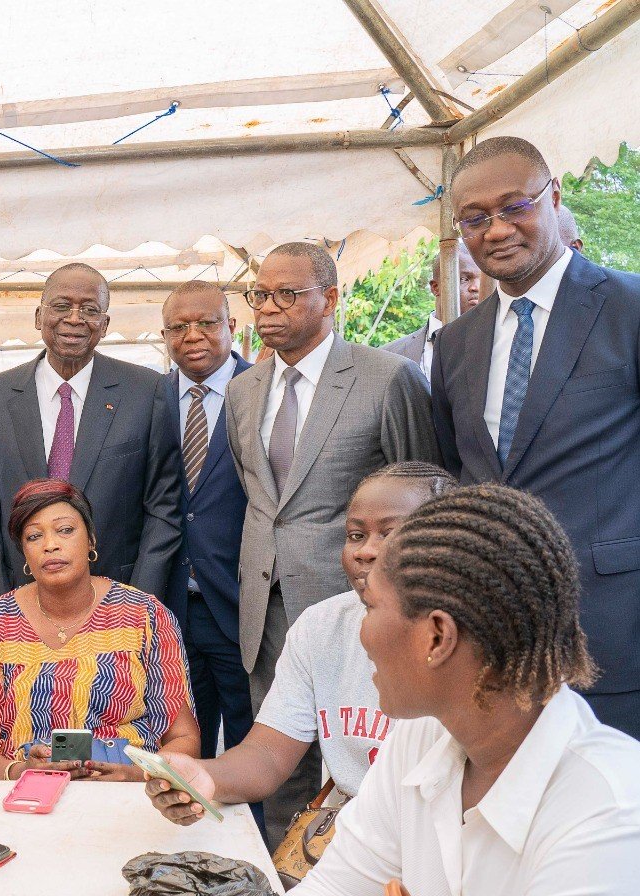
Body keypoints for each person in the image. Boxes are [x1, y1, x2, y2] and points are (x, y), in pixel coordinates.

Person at [88, 485, 640, 896]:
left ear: (435, 637)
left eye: (373, 609)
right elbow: (341, 891)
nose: (360, 632)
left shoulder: (608, 815)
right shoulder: (427, 737)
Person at [225, 241, 438, 838]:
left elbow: (420, 489)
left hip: (366, 601)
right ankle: (284, 888)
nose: (269, 308)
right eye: (259, 295)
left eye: (287, 294)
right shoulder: (244, 390)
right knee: (278, 757)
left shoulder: (387, 377)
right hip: (265, 606)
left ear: (331, 298)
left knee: (370, 752)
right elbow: (261, 499)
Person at [433, 136, 640, 738]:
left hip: (614, 629)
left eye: (514, 207)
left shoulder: (628, 308)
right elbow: (460, 472)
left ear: (553, 197)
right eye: (474, 219)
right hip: (496, 640)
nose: (495, 230)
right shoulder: (457, 343)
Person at [147, 462, 454, 829]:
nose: (366, 551)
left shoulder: (474, 640)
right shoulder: (321, 626)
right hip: (352, 838)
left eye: (390, 534)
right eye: (356, 535)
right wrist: (203, 777)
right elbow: (267, 754)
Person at [0, 263, 181, 606]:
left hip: (118, 603)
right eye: (61, 306)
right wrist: (0, 608)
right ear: (38, 316)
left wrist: (138, 603)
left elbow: (163, 508)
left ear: (104, 325)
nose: (75, 319)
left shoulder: (144, 391)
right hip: (20, 603)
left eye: (90, 310)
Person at [0, 479, 197, 781]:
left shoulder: (145, 616)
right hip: (27, 805)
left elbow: (183, 738)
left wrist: (132, 776)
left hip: (131, 796)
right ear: (24, 553)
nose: (50, 544)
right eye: (33, 536)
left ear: (91, 539)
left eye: (65, 530)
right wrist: (22, 771)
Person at [157, 281, 253, 762]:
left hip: (243, 606)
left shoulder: (268, 392)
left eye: (207, 322)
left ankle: (251, 838)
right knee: (177, 750)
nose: (192, 335)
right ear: (165, 335)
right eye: (178, 326)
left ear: (232, 327)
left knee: (249, 743)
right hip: (168, 609)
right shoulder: (147, 399)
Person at [384, 243, 482, 383]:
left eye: (483, 279)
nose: (476, 287)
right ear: (436, 287)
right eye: (464, 279)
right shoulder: (391, 354)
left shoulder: (503, 343)